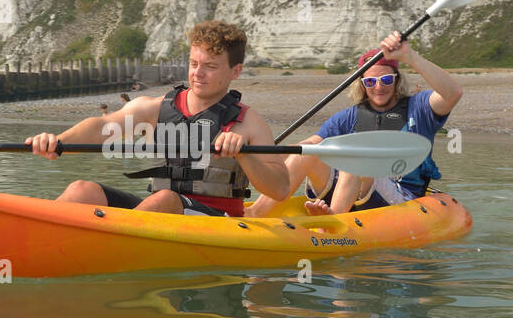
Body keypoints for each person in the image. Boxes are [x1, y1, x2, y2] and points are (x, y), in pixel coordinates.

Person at [25, 20, 288, 216]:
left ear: (236, 71)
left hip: (217, 219)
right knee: (81, 190)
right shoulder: (155, 108)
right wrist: (58, 142)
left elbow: (280, 189)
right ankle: (37, 240)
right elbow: (103, 127)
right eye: (194, 64)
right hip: (158, 212)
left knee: (166, 199)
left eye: (210, 66)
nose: (198, 73)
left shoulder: (249, 122)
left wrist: (245, 155)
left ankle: (114, 250)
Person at [246, 31, 462, 217]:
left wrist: (411, 57)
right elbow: (309, 144)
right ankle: (256, 213)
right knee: (308, 153)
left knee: (355, 159)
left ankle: (334, 224)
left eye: (386, 80)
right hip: (354, 189)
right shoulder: (349, 116)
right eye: (370, 82)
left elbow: (453, 94)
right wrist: (256, 158)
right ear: (362, 85)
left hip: (404, 196)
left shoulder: (419, 106)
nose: (379, 87)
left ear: (396, 80)